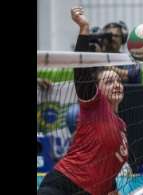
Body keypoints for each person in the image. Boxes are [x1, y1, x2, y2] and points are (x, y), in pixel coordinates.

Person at [38, 6, 127, 195]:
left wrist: (112, 189)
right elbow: (82, 73)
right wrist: (84, 28)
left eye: (118, 80)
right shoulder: (94, 104)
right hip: (63, 185)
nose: (116, 84)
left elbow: (106, 164)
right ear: (98, 89)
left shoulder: (121, 126)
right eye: (109, 82)